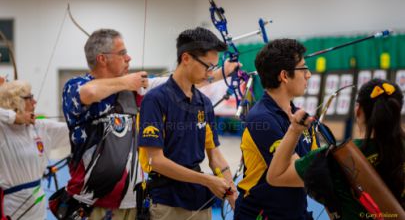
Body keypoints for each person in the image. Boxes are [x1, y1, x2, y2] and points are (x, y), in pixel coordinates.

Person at [62, 28, 237, 220]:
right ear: (102, 58)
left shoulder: (137, 89)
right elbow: (89, 93)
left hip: (132, 201)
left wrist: (224, 71)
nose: (128, 58)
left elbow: (185, 82)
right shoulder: (75, 85)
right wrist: (128, 82)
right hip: (91, 202)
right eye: (122, 53)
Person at [267, 78, 405, 218]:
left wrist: (294, 130)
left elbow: (276, 175)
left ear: (358, 110)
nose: (307, 75)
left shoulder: (334, 157)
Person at [139, 27, 238, 220]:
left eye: (214, 68)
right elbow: (156, 161)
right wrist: (207, 180)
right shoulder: (155, 100)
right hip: (167, 203)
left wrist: (233, 195)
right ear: (186, 58)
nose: (210, 73)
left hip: (200, 202)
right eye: (207, 66)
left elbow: (215, 154)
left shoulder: (204, 103)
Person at [234, 39, 318, 220]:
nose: (309, 75)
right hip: (262, 214)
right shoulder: (261, 119)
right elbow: (294, 172)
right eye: (303, 68)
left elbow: (315, 160)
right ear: (284, 76)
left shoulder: (298, 116)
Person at [0, 80, 69, 220]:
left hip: (37, 202)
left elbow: (74, 131)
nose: (35, 101)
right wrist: (15, 117)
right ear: (15, 101)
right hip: (13, 204)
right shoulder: (3, 129)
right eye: (29, 97)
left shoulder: (40, 126)